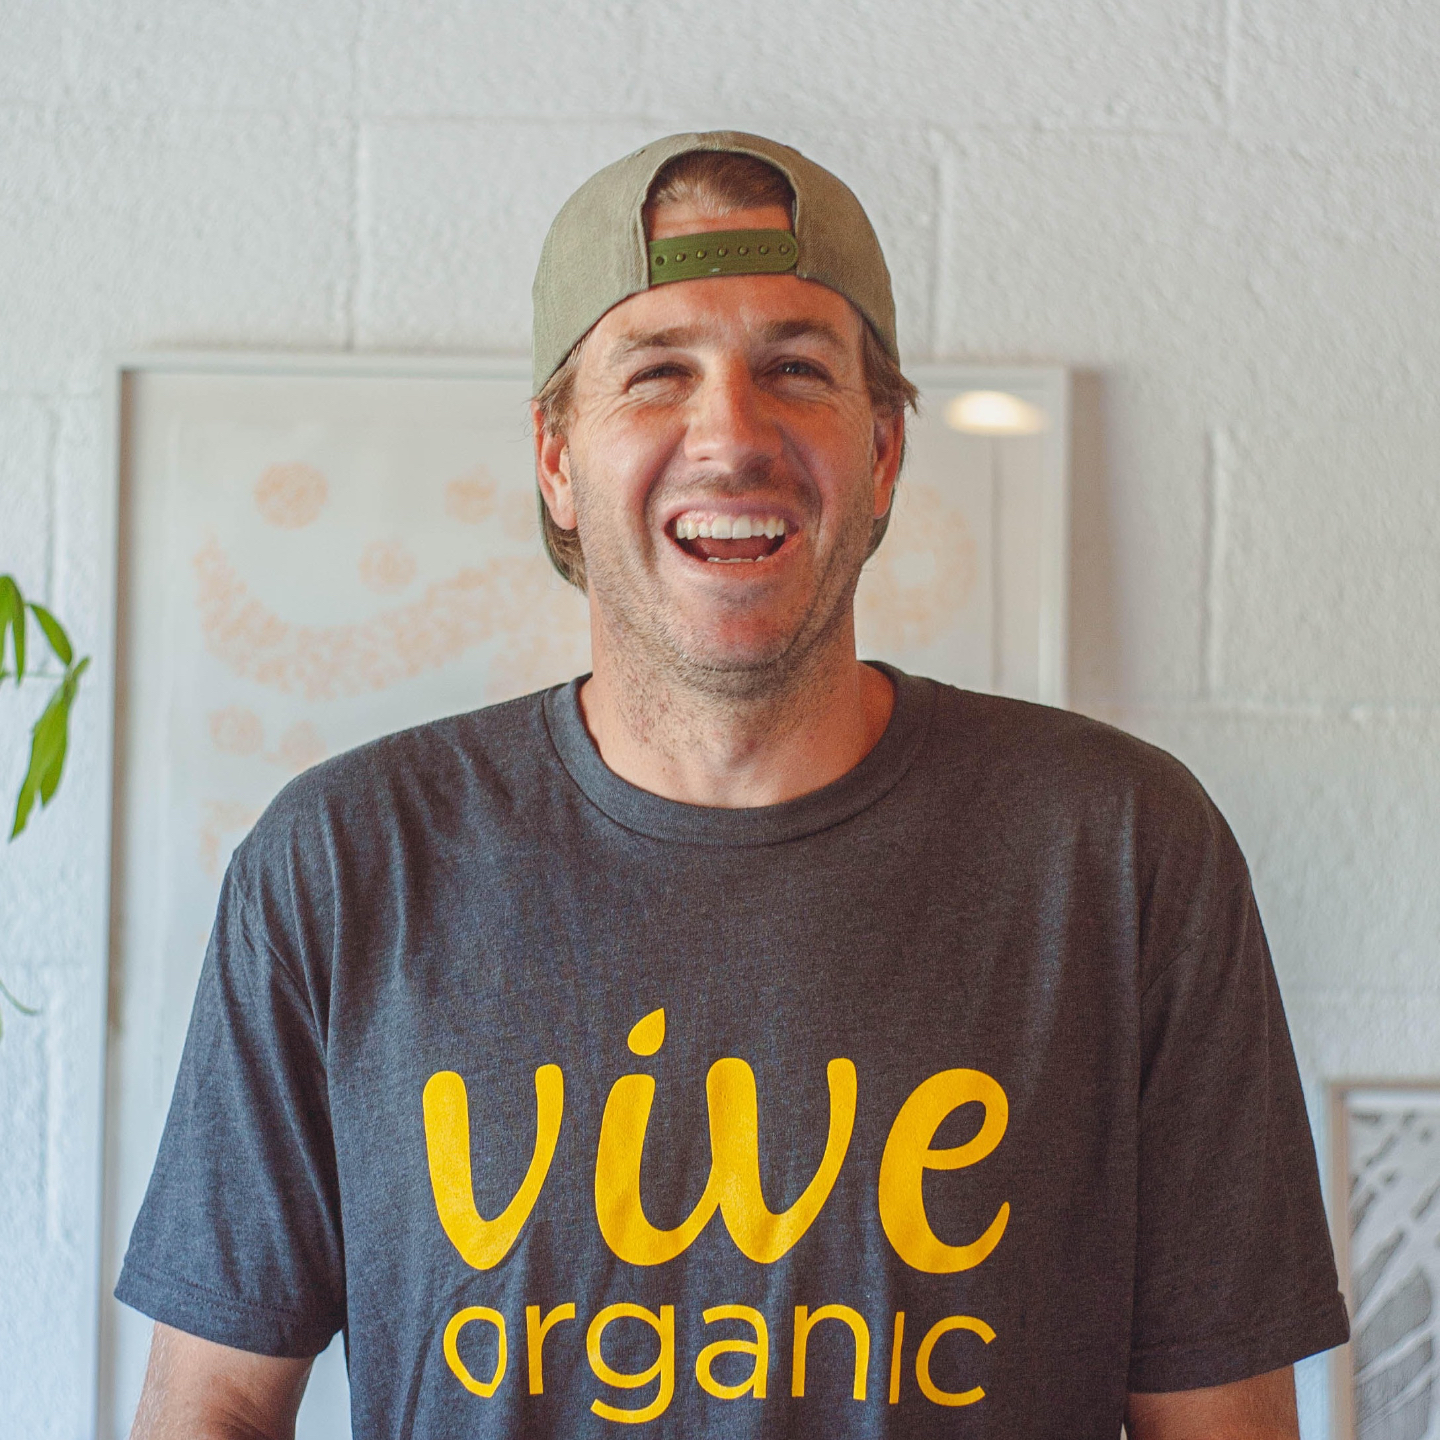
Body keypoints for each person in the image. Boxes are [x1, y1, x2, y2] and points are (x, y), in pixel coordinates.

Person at [119, 131, 1349, 1439]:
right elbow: (214, 1408)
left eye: (796, 371)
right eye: (657, 374)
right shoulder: (343, 865)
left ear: (883, 452)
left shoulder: (1123, 854)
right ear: (557, 459)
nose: (731, 435)